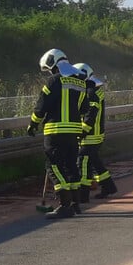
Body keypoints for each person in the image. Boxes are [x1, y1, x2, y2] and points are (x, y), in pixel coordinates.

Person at [27, 48, 88, 219]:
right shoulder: (81, 83)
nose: (50, 72)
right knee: (71, 166)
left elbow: (41, 106)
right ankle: (76, 204)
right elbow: (84, 108)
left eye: (49, 69)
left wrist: (33, 124)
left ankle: (64, 204)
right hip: (74, 132)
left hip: (55, 131)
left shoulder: (53, 81)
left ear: (53, 64)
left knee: (53, 166)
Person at [73, 62, 117, 201]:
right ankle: (108, 186)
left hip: (90, 135)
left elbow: (91, 114)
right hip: (96, 134)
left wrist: (83, 131)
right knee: (95, 161)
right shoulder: (94, 89)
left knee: (84, 164)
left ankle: (83, 195)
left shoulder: (91, 92)